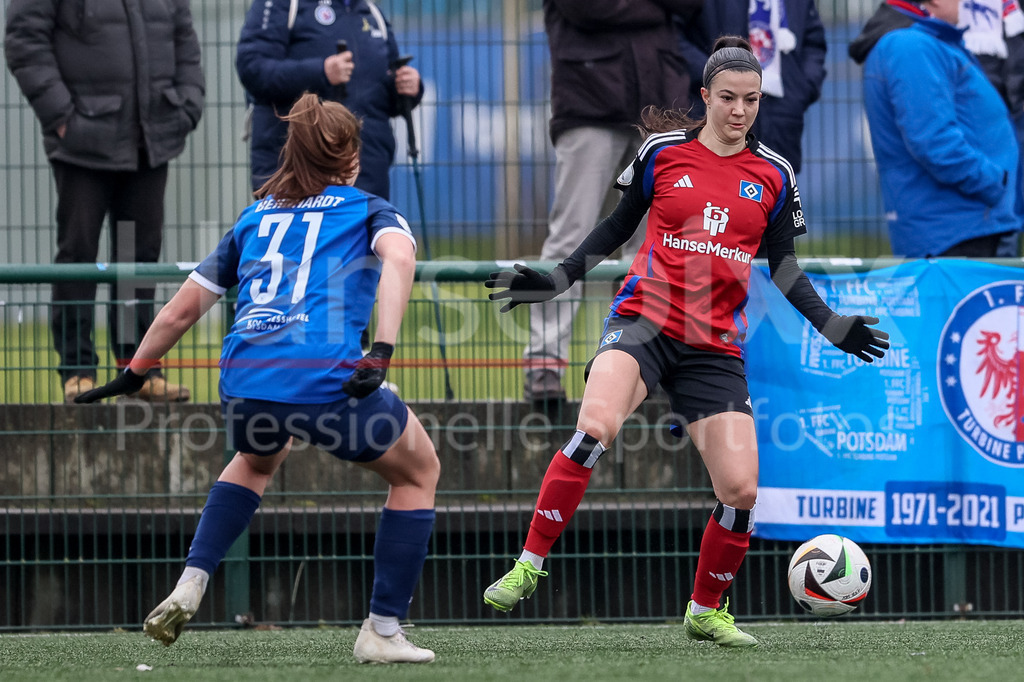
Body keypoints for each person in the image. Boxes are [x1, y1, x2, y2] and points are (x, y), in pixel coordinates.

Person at [483, 37, 889, 647]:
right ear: (705, 97)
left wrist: (834, 326)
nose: (740, 111)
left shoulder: (774, 175)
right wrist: (554, 280)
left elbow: (784, 268)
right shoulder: (661, 153)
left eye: (751, 100)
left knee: (742, 489)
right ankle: (529, 564)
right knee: (595, 425)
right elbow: (615, 228)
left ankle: (705, 608)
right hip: (644, 322)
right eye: (728, 98)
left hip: (714, 346)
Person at [74, 94, 440, 665]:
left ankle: (192, 581)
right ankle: (382, 630)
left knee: (255, 460)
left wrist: (134, 372)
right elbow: (398, 260)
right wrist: (382, 350)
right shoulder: (370, 208)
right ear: (349, 158)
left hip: (245, 382)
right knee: (421, 470)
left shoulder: (256, 215)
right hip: (323, 379)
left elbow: (178, 312)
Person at [4, 0, 204, 403]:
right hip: (82, 142)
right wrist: (63, 118)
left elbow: (185, 40)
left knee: (137, 259)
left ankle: (137, 369)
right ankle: (77, 370)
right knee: (79, 255)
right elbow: (24, 40)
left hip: (150, 140)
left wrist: (186, 106)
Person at [522, 0, 700, 402]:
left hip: (658, 110)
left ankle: (640, 360)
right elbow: (590, 9)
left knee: (654, 244)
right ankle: (545, 361)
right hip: (588, 105)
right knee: (571, 236)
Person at [848, 0, 1023, 257]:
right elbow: (934, 141)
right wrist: (993, 184)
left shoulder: (920, 42)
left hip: (965, 223)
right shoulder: (911, 46)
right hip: (960, 227)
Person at [236, 0, 423, 201]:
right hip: (295, 173)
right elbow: (252, 68)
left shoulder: (371, 11)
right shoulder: (283, 4)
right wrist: (321, 72)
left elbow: (383, 94)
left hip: (367, 174)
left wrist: (409, 88)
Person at [677, 0, 827, 176]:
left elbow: (814, 42)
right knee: (714, 192)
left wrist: (802, 88)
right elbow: (674, 35)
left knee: (775, 191)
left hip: (782, 115)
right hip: (715, 115)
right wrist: (716, 75)